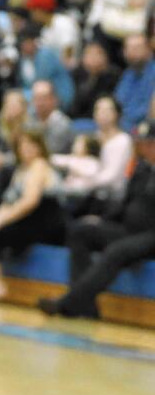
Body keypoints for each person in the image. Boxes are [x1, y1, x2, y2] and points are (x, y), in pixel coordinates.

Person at [39, 119, 155, 319]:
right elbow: (125, 203)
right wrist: (102, 219)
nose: (145, 147)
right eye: (143, 143)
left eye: (149, 143)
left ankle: (67, 304)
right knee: (81, 231)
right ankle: (86, 307)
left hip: (151, 236)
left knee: (116, 251)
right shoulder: (142, 168)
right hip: (129, 230)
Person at [0, 130, 64, 303]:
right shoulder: (21, 169)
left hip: (46, 220)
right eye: (23, 145)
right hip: (28, 218)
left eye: (32, 145)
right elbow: (8, 201)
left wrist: (0, 222)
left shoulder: (39, 165)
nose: (27, 149)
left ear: (40, 147)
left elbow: (30, 201)